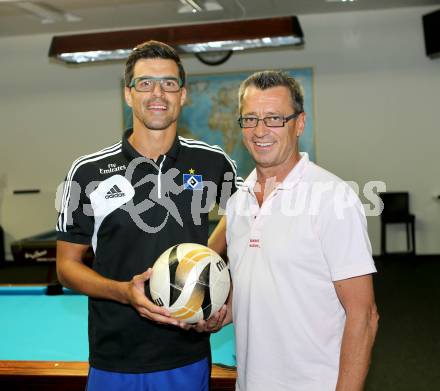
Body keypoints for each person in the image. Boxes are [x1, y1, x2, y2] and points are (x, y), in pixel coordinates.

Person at [55, 40, 241, 391]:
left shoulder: (212, 162)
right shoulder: (87, 172)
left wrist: (210, 260)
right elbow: (66, 267)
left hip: (184, 353)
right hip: (115, 355)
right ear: (128, 95)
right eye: (145, 83)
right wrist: (125, 292)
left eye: (169, 83)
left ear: (183, 94)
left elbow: (251, 214)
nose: (158, 93)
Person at [215, 70, 379, 391]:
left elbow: (364, 316)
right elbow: (253, 285)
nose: (260, 130)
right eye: (250, 119)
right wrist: (217, 314)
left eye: (275, 118)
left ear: (299, 124)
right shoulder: (237, 204)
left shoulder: (333, 198)